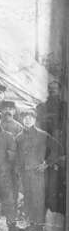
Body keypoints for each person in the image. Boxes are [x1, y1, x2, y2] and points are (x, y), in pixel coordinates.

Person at [15, 109, 62, 231]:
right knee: (27, 199)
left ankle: (40, 230)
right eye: (25, 117)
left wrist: (47, 163)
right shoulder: (19, 137)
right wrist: (18, 171)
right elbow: (17, 157)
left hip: (37, 174)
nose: (27, 120)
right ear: (22, 119)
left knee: (38, 200)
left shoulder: (43, 135)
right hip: (24, 174)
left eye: (30, 117)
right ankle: (31, 224)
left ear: (35, 119)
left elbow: (58, 148)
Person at [36, 80, 67, 214]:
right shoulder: (42, 107)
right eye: (50, 89)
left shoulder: (65, 107)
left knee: (60, 183)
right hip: (45, 148)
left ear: (60, 91)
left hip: (61, 146)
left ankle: (58, 213)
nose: (52, 91)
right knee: (46, 183)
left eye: (55, 89)